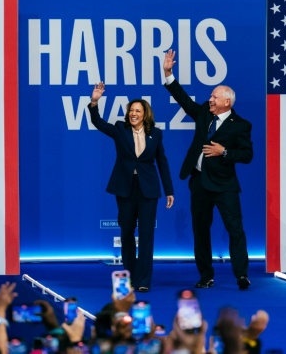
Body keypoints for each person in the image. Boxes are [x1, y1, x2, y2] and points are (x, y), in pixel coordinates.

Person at [162, 49, 253, 290]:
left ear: (227, 102)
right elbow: (184, 100)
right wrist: (168, 73)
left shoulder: (241, 125)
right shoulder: (204, 113)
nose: (210, 99)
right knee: (200, 231)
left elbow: (247, 155)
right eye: (210, 96)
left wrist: (224, 151)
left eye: (214, 97)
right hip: (200, 182)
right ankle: (206, 276)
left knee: (235, 230)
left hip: (224, 186)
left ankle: (242, 275)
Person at [88, 82, 175, 292]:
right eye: (131, 111)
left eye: (138, 111)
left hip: (149, 189)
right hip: (125, 187)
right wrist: (94, 101)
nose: (133, 114)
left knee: (147, 235)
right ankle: (129, 277)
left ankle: (143, 280)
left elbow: (162, 161)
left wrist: (169, 190)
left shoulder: (156, 133)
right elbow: (98, 122)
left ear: (145, 114)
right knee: (127, 231)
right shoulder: (120, 129)